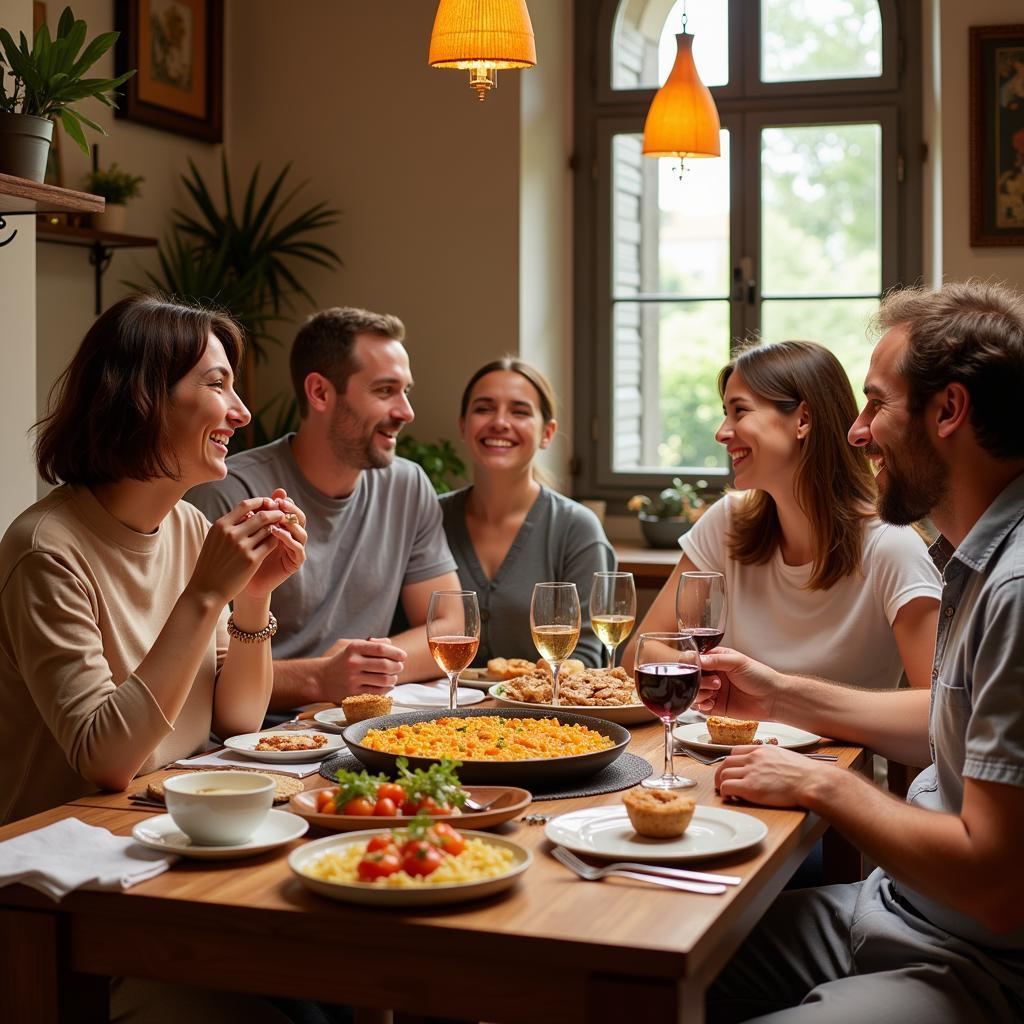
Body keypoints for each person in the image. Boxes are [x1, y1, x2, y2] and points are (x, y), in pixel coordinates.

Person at [701, 280, 1024, 1022]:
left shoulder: (1013, 586)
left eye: (876, 404)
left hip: (974, 965)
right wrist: (777, 691)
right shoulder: (971, 556)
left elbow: (998, 887)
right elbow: (947, 724)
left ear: (949, 411)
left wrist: (826, 785)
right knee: (648, 961)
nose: (858, 430)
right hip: (892, 909)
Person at [0, 295, 307, 826]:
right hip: (65, 846)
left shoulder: (187, 527)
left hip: (168, 815)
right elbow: (107, 759)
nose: (242, 411)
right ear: (143, 399)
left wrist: (254, 597)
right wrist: (207, 594)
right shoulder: (45, 551)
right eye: (217, 385)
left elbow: (238, 722)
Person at [622, 340, 940, 693]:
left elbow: (935, 713)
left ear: (802, 420)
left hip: (837, 752)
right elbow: (640, 652)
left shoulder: (891, 545)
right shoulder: (727, 521)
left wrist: (782, 699)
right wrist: (697, 665)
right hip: (722, 746)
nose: (721, 432)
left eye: (739, 411)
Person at [187, 306, 460, 713]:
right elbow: (197, 671)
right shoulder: (229, 493)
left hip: (358, 725)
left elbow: (451, 626)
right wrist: (319, 676)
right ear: (319, 393)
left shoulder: (408, 484)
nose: (406, 412)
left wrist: (365, 668)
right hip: (254, 736)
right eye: (385, 391)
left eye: (406, 391)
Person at [440, 357, 615, 667]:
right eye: (484, 408)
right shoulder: (430, 519)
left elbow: (586, 658)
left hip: (541, 714)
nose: (500, 422)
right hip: (432, 712)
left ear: (547, 433)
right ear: (462, 425)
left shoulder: (577, 529)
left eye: (519, 411)